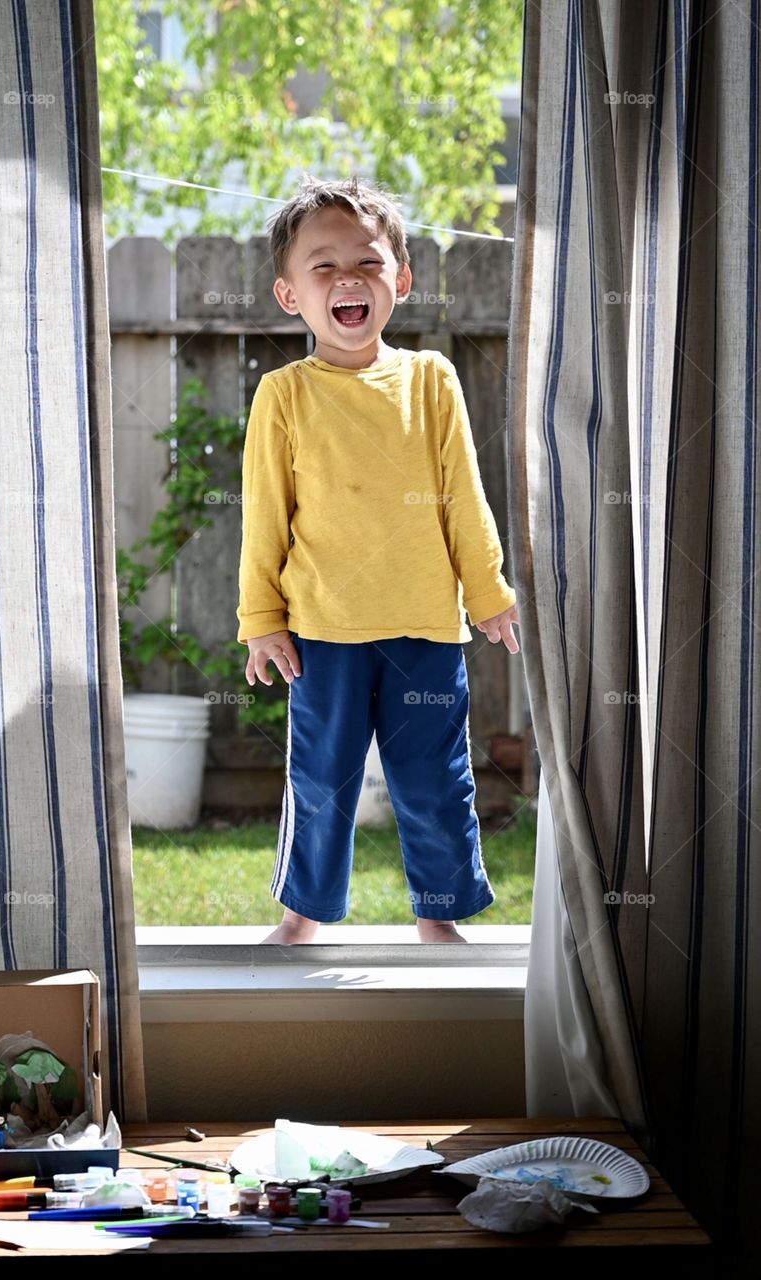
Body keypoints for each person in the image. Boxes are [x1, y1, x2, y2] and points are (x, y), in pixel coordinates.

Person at [236, 175, 520, 943]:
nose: (346, 278)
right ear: (290, 294)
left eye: (365, 262)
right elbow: (264, 518)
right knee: (320, 782)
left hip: (424, 628)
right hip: (320, 634)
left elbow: (464, 494)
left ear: (400, 279)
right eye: (321, 266)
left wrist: (487, 589)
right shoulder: (283, 395)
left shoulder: (432, 380)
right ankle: (302, 915)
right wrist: (261, 619)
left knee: (434, 780)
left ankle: (441, 916)